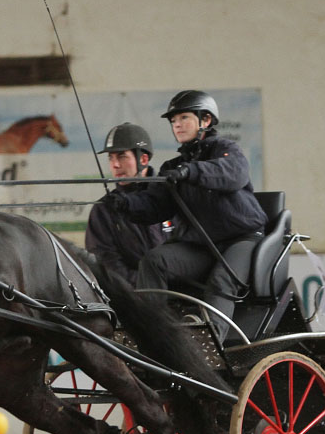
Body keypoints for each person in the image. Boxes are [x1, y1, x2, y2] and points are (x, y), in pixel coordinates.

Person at [102, 90, 267, 342]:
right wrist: (126, 204)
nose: (177, 125)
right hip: (202, 246)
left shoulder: (226, 149)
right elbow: (155, 206)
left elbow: (234, 174)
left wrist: (190, 171)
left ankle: (209, 344)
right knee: (155, 260)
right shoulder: (173, 168)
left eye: (184, 118)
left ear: (206, 121)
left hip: (241, 240)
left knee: (223, 281)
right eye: (173, 121)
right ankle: (150, 331)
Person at [84, 123, 166, 285]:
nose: (115, 165)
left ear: (143, 159)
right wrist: (147, 285)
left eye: (121, 156)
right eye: (111, 158)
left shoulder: (172, 196)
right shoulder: (102, 210)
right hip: (134, 300)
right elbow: (106, 264)